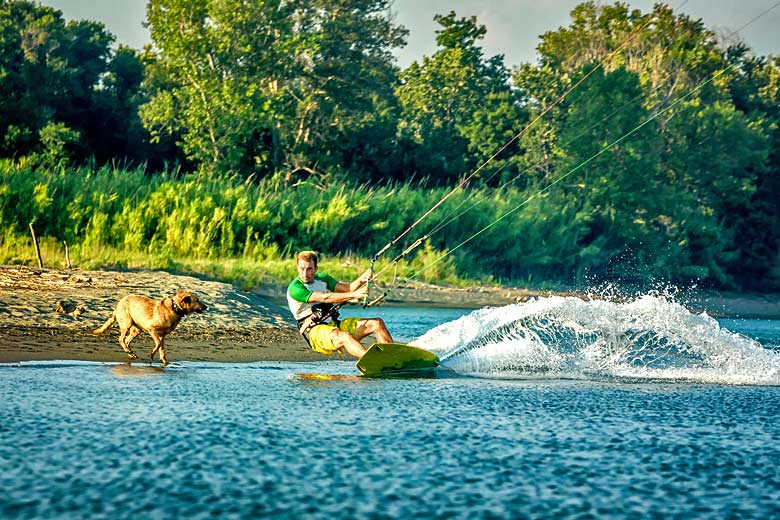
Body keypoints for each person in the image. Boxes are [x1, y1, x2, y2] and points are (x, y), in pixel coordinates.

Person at [287, 250, 393, 359]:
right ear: (297, 267)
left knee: (377, 323)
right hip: (313, 331)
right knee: (344, 336)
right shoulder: (295, 288)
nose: (305, 273)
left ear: (316, 269)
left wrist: (362, 278)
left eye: (309, 269)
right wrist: (355, 295)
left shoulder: (323, 278)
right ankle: (374, 361)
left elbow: (347, 288)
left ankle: (392, 358)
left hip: (333, 325)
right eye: (301, 268)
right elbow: (325, 297)